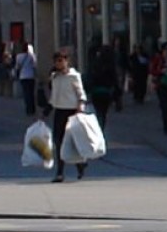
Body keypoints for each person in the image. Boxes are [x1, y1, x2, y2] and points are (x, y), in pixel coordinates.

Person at [46, 49, 90, 183]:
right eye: (56, 61)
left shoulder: (74, 76)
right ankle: (60, 173)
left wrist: (80, 106)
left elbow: (81, 93)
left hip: (72, 112)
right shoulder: (54, 77)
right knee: (58, 143)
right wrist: (46, 111)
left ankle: (80, 164)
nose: (59, 64)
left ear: (66, 61)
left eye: (61, 60)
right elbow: (54, 97)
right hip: (59, 111)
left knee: (73, 141)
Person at [86, 37, 119, 130]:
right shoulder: (110, 66)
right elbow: (114, 80)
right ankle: (101, 127)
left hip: (96, 92)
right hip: (106, 92)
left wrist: (88, 89)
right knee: (103, 112)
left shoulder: (95, 64)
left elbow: (90, 77)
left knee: (98, 111)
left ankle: (98, 127)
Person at [14, 39, 38, 118]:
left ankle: (28, 109)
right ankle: (33, 108)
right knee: (31, 92)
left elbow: (17, 67)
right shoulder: (32, 56)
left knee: (26, 93)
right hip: (31, 76)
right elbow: (34, 66)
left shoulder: (18, 56)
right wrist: (36, 75)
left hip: (23, 76)